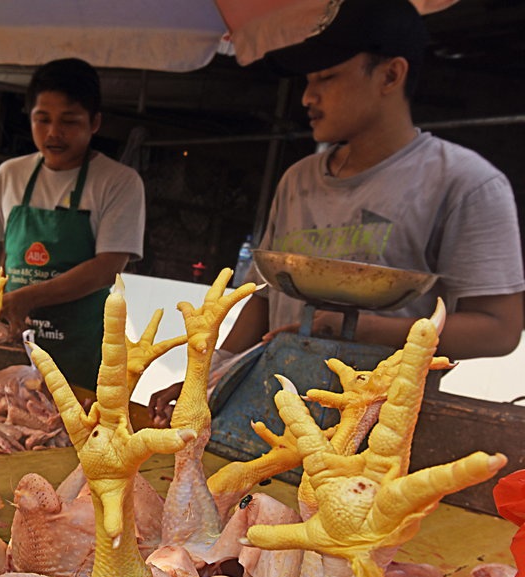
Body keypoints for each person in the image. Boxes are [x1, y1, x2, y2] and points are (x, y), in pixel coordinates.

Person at [149, 0, 524, 424]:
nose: (308, 96)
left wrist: (353, 328)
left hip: (375, 434)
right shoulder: (298, 179)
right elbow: (263, 304)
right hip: (264, 419)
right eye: (309, 80)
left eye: (327, 77)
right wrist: (209, 377)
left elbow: (499, 329)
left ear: (390, 75)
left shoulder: (464, 182)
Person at [0, 58, 146, 389]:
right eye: (42, 119)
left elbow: (109, 266)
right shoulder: (11, 174)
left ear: (94, 122)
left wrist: (26, 297)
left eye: (69, 121)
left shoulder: (119, 182)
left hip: (78, 346)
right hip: (10, 341)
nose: (53, 133)